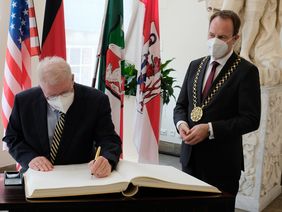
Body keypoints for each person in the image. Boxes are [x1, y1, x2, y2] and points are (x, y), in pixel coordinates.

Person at [173, 10, 261, 210]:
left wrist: (210, 129)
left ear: (235, 38)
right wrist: (181, 123)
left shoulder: (246, 72)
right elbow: (181, 106)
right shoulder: (195, 66)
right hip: (189, 160)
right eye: (211, 35)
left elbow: (251, 119)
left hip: (222, 166)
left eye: (222, 37)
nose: (215, 41)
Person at [3, 56, 122, 178]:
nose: (60, 100)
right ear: (41, 86)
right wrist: (30, 158)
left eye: (65, 93)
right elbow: (12, 138)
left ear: (72, 79)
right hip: (37, 173)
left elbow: (109, 139)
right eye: (52, 96)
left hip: (80, 173)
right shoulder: (24, 101)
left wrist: (107, 159)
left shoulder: (96, 100)